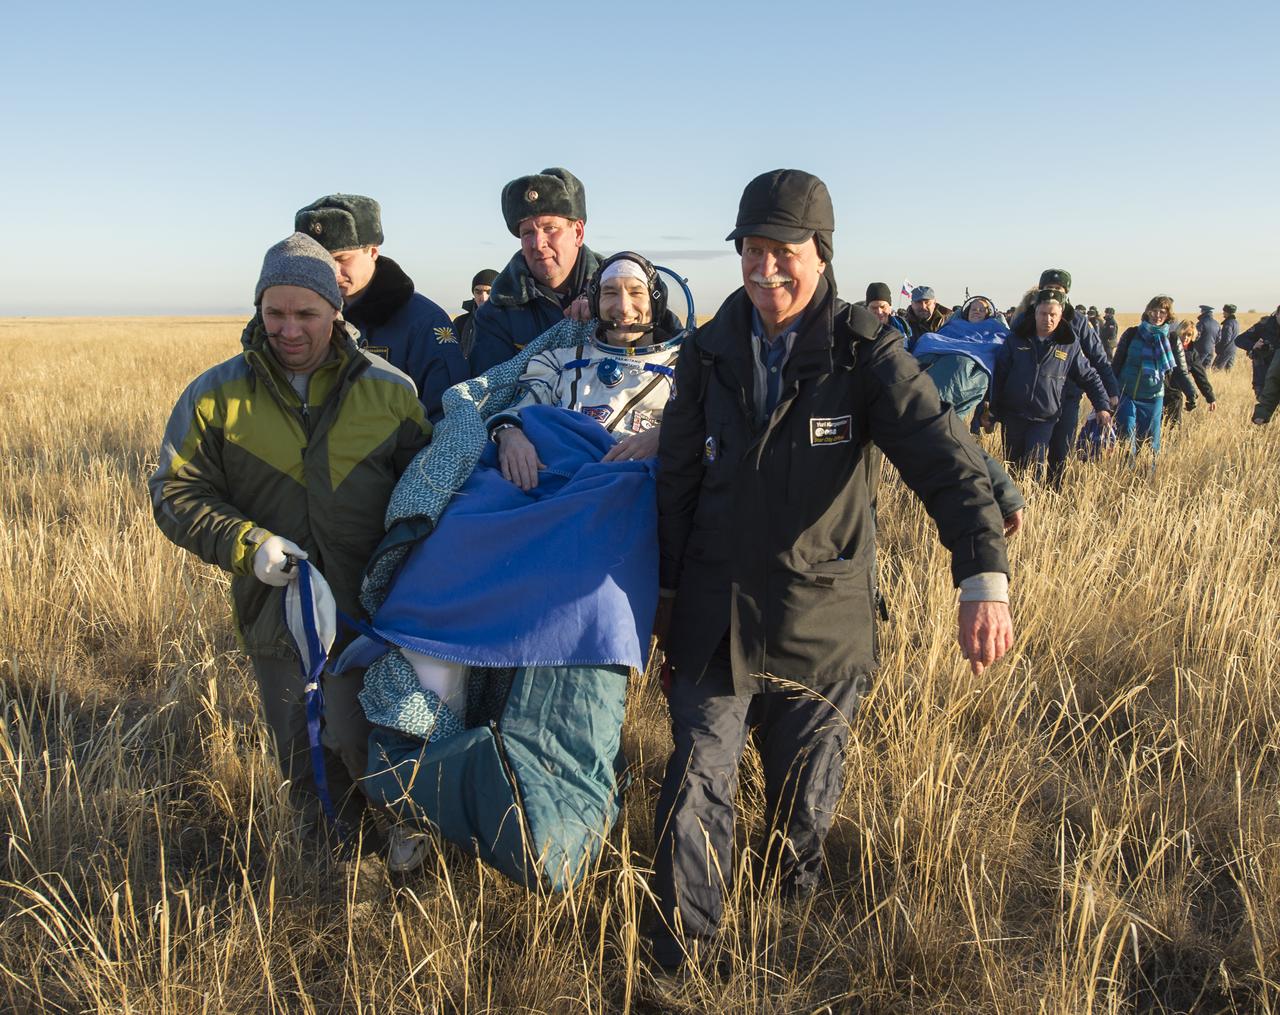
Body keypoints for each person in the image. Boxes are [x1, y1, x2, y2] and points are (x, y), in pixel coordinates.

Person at [650, 169, 1014, 974]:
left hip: (821, 622)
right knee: (696, 778)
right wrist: (666, 597)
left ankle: (787, 936)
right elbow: (675, 481)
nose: (764, 268)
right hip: (715, 616)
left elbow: (944, 459)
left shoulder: (863, 351)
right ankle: (684, 965)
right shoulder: (708, 351)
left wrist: (982, 578)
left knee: (801, 805)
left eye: (783, 250)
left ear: (821, 253)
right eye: (751, 248)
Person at [150, 233, 431, 833]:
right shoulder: (214, 396)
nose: (289, 329)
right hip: (275, 613)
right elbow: (175, 492)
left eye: (306, 313)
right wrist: (247, 545)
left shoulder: (390, 391)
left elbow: (429, 494)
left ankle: (401, 844)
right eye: (274, 312)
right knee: (301, 756)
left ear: (336, 310)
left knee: (367, 738)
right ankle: (330, 867)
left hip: (370, 614)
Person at [488, 251, 685, 489]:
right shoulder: (559, 362)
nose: (623, 307)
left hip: (630, 489)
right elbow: (524, 407)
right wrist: (509, 433)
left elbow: (706, 424)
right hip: (554, 481)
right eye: (610, 293)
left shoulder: (684, 369)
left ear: (656, 302)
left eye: (636, 292)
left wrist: (665, 434)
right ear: (595, 302)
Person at [295, 194, 468, 422]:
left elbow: (449, 416)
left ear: (373, 252)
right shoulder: (294, 320)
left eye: (342, 259)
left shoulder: (424, 322)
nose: (333, 272)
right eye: (322, 262)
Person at [470, 168, 603, 375]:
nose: (538, 244)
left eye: (550, 229)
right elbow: (491, 387)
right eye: (528, 233)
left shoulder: (624, 291)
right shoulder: (497, 312)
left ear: (578, 232)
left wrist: (601, 305)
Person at [1010, 269, 1118, 487]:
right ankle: (1022, 495)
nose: (1053, 292)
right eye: (1048, 288)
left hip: (1067, 396)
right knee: (1024, 457)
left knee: (1060, 451)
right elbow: (1007, 358)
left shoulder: (1078, 321)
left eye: (1058, 289)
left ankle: (1054, 492)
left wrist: (1110, 393)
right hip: (1031, 399)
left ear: (1066, 292)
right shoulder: (1025, 318)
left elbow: (1097, 358)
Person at [1111, 295, 1199, 461]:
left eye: (1162, 312)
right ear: (1148, 311)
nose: (1157, 315)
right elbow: (1116, 365)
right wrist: (1109, 391)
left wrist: (1191, 393)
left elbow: (1180, 371)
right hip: (1127, 393)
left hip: (1153, 397)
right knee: (1127, 436)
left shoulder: (1172, 339)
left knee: (1150, 443)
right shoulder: (1131, 334)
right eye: (1154, 311)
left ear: (1168, 316)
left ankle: (1146, 474)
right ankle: (1126, 471)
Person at [1163, 318, 1217, 427]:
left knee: (1174, 426)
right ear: (1179, 332)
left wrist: (1210, 397)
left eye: (1189, 335)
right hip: (1158, 390)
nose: (1186, 338)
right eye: (1184, 334)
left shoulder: (1192, 353)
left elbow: (1200, 377)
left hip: (1175, 393)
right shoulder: (1167, 345)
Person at [453, 268, 498, 361]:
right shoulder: (460, 322)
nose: (483, 298)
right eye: (478, 292)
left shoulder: (510, 323)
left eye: (489, 292)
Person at [1236, 305, 1280, 398]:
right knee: (1264, 403)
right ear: (1277, 314)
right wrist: (1253, 345)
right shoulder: (1264, 326)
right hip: (1263, 376)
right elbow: (1239, 340)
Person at [1214, 304, 1239, 370]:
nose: (1223, 313)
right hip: (1233, 349)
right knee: (1228, 370)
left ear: (1227, 312)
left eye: (1224, 311)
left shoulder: (1228, 323)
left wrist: (1218, 347)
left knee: (1215, 369)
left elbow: (1226, 339)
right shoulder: (1236, 322)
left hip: (1225, 350)